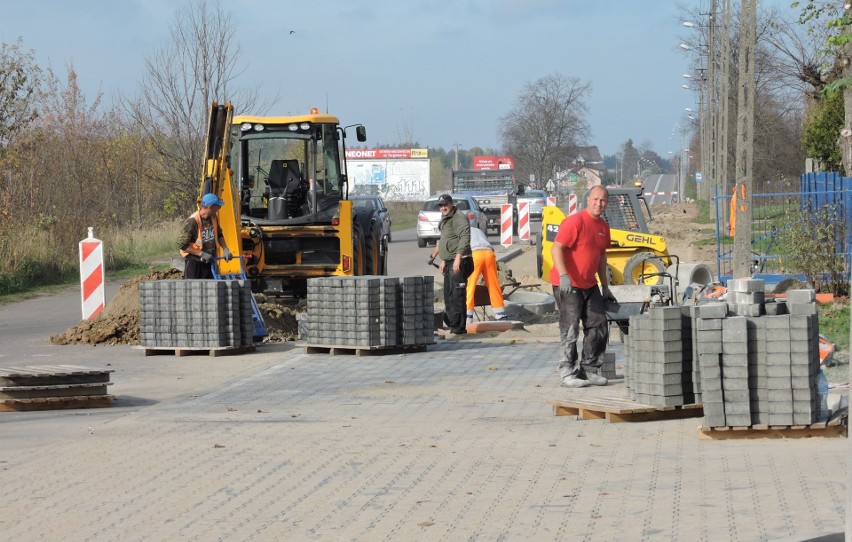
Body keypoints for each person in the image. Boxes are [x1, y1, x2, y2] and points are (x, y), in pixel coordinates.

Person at [549, 185, 617, 388]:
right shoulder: (575, 222)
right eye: (595, 199)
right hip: (568, 284)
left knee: (599, 324)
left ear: (607, 203)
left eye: (603, 200)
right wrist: (564, 276)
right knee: (570, 329)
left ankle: (589, 369)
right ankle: (567, 372)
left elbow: (601, 257)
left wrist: (605, 285)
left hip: (590, 284)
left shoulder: (603, 227)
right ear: (588, 199)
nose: (599, 203)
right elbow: (556, 248)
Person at [428, 194, 473, 335]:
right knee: (448, 296)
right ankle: (454, 326)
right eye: (440, 205)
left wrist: (458, 258)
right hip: (450, 261)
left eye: (445, 204)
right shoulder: (446, 218)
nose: (443, 207)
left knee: (457, 296)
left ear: (452, 203)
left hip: (461, 261)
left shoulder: (459, 218)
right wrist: (442, 259)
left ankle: (459, 329)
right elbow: (446, 240)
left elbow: (464, 238)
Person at [178, 193, 234, 279]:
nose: (219, 208)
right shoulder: (192, 221)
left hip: (210, 261)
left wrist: (225, 249)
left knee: (212, 290)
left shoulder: (213, 217)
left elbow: (219, 234)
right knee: (195, 290)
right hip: (195, 264)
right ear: (210, 207)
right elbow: (182, 245)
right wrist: (201, 254)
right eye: (217, 206)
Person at [465, 226, 506, 322]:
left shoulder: (460, 230)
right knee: (493, 284)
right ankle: (500, 314)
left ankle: (468, 316)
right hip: (489, 254)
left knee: (470, 285)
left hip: (475, 255)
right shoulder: (478, 230)